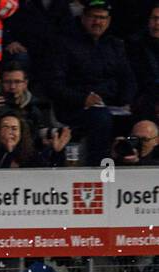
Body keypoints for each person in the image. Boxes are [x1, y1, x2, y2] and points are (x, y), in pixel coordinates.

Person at [46, 0, 137, 165]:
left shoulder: (115, 45)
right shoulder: (64, 44)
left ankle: (132, 165)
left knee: (140, 121)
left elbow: (128, 78)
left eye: (102, 18)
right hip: (76, 107)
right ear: (83, 18)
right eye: (93, 17)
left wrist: (126, 100)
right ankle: (99, 167)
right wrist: (83, 99)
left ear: (108, 21)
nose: (98, 22)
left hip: (112, 104)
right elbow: (54, 85)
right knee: (100, 118)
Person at [0, 108, 68, 166]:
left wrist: (57, 153)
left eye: (14, 128)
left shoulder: (30, 155)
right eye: (5, 127)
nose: (10, 132)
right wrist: (8, 152)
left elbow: (51, 177)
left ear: (21, 133)